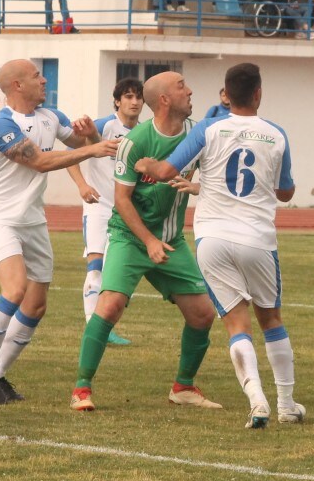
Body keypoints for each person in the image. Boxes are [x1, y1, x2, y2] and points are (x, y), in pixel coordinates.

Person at [135, 63, 302, 428]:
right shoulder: (276, 134)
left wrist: (146, 161)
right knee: (271, 319)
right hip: (257, 239)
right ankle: (287, 404)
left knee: (235, 323)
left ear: (226, 95)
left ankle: (257, 401)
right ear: (258, 93)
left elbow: (165, 172)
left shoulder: (210, 129)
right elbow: (286, 192)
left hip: (212, 239)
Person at [69, 72, 221, 412]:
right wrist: (149, 240)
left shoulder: (199, 135)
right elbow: (122, 200)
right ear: (165, 100)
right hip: (130, 237)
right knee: (109, 306)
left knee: (202, 314)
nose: (191, 89)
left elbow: (211, 180)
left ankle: (183, 387)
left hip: (170, 241)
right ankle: (81, 389)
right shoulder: (135, 141)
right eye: (182, 85)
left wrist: (197, 188)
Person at [0, 60, 118, 405]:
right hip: (2, 219)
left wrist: (89, 133)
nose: (44, 79)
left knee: (36, 307)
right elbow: (38, 160)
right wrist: (90, 147)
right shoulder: (2, 124)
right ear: (17, 85)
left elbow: (82, 140)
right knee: (15, 290)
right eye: (37, 75)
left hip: (34, 221)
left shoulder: (51, 116)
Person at [65, 79, 143, 345]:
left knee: (116, 273)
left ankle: (105, 326)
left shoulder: (144, 133)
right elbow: (71, 153)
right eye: (129, 96)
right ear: (117, 101)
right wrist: (82, 185)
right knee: (95, 267)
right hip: (98, 207)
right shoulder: (104, 125)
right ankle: (93, 328)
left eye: (138, 97)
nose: (134, 102)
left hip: (127, 211)